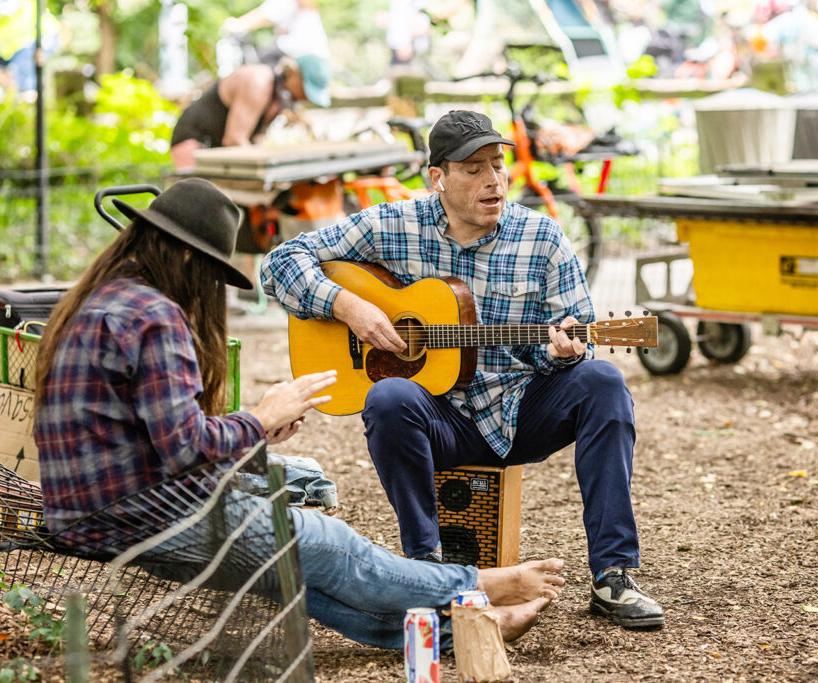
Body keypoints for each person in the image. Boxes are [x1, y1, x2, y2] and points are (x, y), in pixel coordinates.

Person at [31, 177, 565, 650]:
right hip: (138, 516)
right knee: (324, 542)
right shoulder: (154, 317)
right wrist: (260, 419)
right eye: (215, 273)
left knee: (293, 576)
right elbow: (184, 448)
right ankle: (477, 585)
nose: (211, 289)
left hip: (92, 512)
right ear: (190, 258)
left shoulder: (103, 299)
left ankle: (463, 628)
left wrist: (251, 431)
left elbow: (155, 432)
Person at [260, 110, 664, 629]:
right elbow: (280, 263)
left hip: (519, 413)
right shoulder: (392, 224)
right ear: (438, 178)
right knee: (387, 397)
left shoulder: (541, 239)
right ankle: (425, 570)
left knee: (604, 382)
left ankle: (614, 575)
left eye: (497, 164)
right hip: (438, 419)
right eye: (473, 169)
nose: (492, 179)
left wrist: (564, 351)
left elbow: (573, 332)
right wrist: (349, 307)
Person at [169, 56, 331, 171]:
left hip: (220, 149)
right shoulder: (258, 81)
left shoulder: (280, 97)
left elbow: (256, 139)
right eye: (306, 88)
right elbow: (234, 139)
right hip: (194, 142)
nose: (306, 98)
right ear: (294, 73)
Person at [221, 0, 330, 66]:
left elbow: (263, 15)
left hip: (299, 52)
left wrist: (236, 24)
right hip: (316, 54)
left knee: (259, 70)